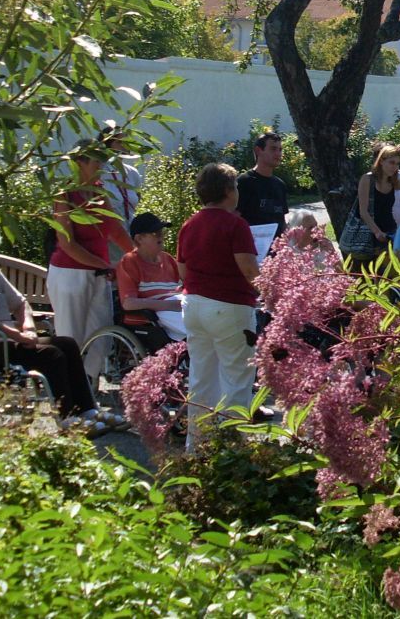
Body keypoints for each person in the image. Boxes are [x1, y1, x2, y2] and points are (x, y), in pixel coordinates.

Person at [0, 226, 124, 432]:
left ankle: (88, 410)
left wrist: (28, 326)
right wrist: (14, 334)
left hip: (7, 338)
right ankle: (67, 417)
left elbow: (19, 303)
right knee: (50, 354)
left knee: (67, 343)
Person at [176, 163, 260, 454]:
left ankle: (196, 446)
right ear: (227, 190)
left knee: (202, 376)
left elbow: (183, 271)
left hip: (194, 304)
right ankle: (232, 453)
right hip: (230, 305)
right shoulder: (235, 225)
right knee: (236, 377)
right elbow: (249, 268)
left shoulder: (189, 224)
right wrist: (267, 290)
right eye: (235, 186)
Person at [47, 139, 133, 379]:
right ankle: (66, 397)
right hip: (70, 275)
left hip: (98, 273)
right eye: (97, 160)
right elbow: (67, 243)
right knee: (70, 339)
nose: (102, 165)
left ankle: (87, 390)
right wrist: (104, 265)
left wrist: (138, 256)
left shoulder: (98, 190)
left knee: (101, 338)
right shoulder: (64, 194)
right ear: (79, 162)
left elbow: (114, 230)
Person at [116, 212, 184, 345]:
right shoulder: (129, 262)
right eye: (155, 233)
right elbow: (128, 303)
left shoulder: (168, 260)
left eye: (161, 231)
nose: (161, 236)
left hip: (179, 307)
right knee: (201, 331)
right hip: (156, 315)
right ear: (139, 239)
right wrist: (166, 305)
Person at [356, 143, 400, 255]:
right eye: (391, 162)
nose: (394, 167)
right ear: (381, 161)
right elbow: (363, 212)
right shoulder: (367, 179)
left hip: (391, 232)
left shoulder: (393, 182)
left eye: (397, 164)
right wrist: (377, 232)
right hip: (372, 236)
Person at [99, 126, 143, 261]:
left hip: (131, 237)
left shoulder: (133, 173)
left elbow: (135, 202)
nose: (125, 146)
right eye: (120, 142)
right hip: (108, 239)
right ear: (108, 144)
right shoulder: (99, 171)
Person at [236, 132, 289, 238]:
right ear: (258, 150)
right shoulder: (243, 182)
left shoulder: (280, 185)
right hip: (252, 250)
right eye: (273, 149)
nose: (278, 154)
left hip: (277, 251)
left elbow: (282, 222)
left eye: (280, 149)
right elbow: (234, 219)